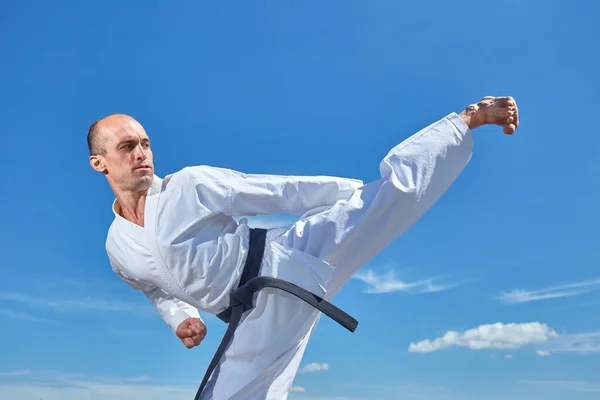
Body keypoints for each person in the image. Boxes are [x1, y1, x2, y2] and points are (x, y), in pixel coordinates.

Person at [88, 95, 519, 399]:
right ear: (100, 162)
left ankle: (466, 120)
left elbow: (278, 192)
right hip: (251, 319)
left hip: (287, 259)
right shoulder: (117, 248)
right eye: (127, 147)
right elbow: (153, 286)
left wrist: (355, 194)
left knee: (392, 197)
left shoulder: (188, 186)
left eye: (145, 143)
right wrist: (182, 318)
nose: (141, 153)